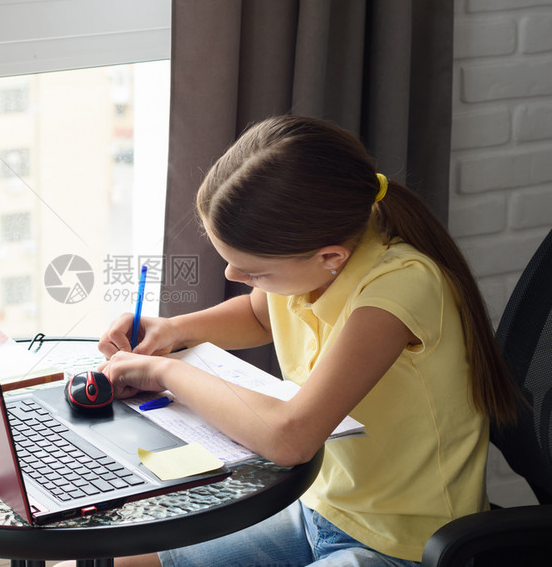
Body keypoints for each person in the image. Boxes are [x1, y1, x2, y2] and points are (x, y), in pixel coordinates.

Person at [93, 115, 519, 566]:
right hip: (315, 507)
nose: (232, 277)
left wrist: (164, 371)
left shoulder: (398, 289)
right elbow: (261, 315)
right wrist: (176, 330)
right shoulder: (320, 260)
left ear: (330, 257)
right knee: (121, 561)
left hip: (400, 544)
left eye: (254, 271)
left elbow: (289, 439)